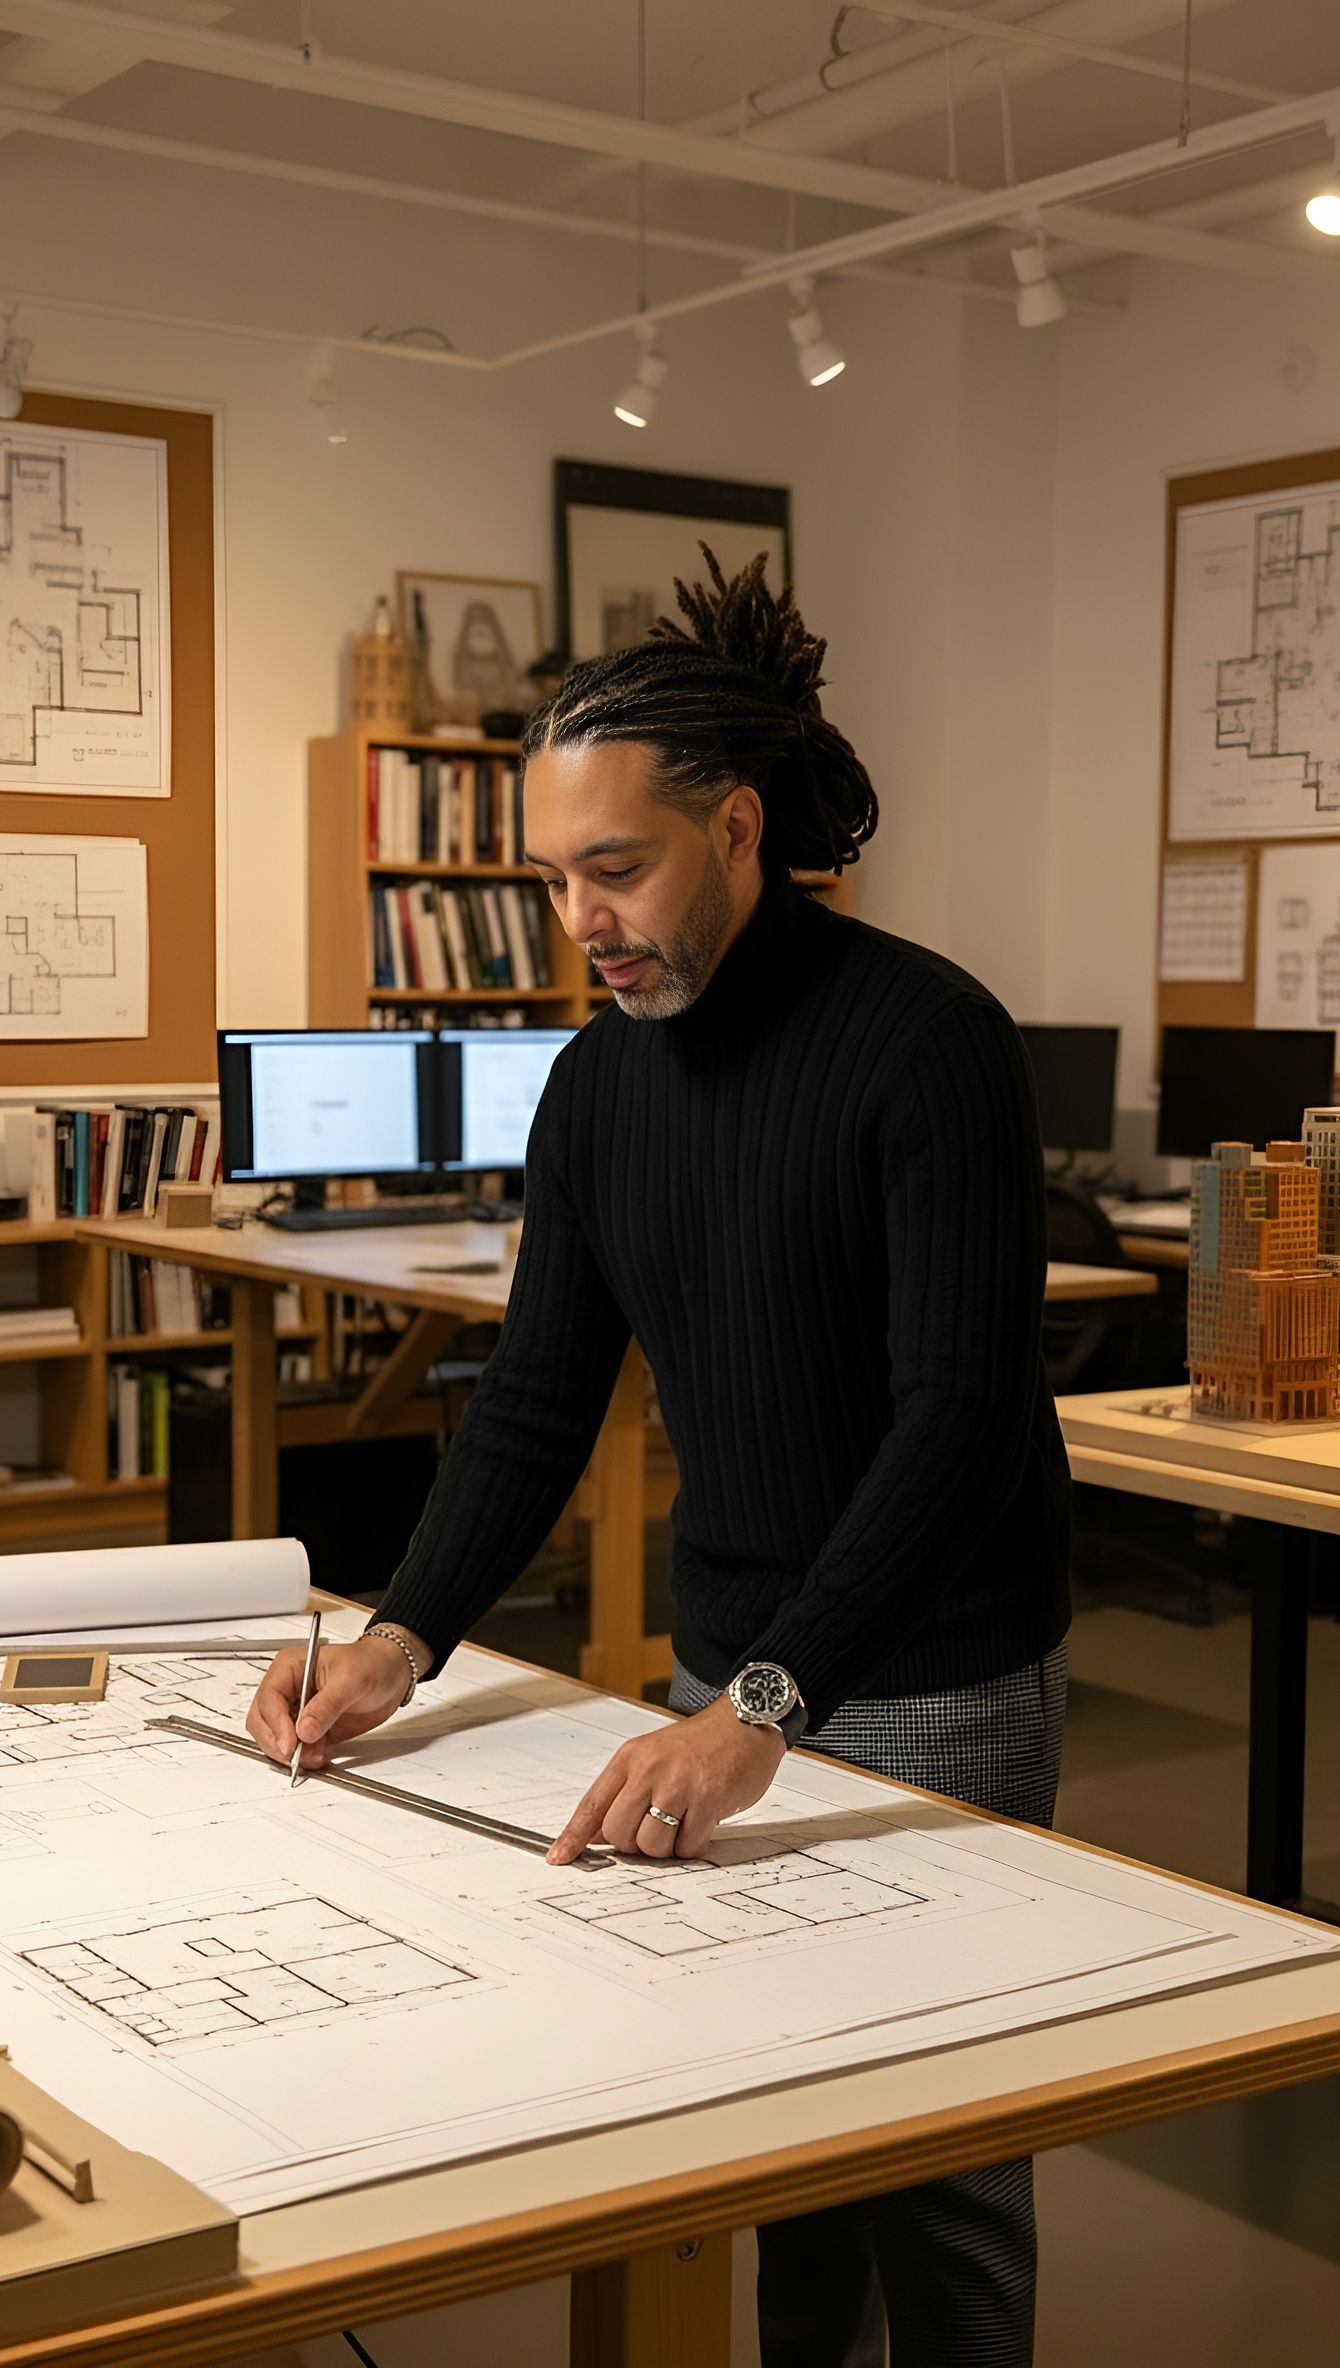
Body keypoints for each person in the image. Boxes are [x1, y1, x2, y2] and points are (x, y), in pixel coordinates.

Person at [248, 548, 1072, 2368]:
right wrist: (399, 1645)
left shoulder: (925, 1040)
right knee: (776, 2132)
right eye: (555, 878)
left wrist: (762, 1704)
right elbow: (542, 1398)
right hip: (730, 1660)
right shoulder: (599, 1083)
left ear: (742, 828)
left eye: (615, 869)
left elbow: (960, 1416)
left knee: (935, 2157)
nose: (582, 920)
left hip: (930, 1672)